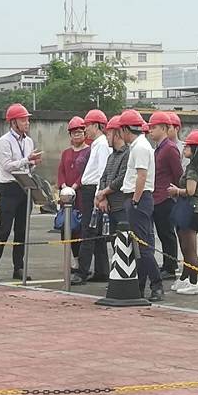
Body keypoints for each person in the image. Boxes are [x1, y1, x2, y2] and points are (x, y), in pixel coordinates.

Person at [0, 103, 42, 282]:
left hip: (24, 185)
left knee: (22, 230)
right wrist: (27, 160)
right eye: (23, 119)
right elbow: (7, 166)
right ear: (13, 122)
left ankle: (18, 267)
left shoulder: (28, 141)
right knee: (4, 229)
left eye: (27, 119)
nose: (27, 122)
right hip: (9, 187)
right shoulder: (4, 141)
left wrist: (31, 164)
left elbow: (26, 167)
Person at [120, 109, 164, 302]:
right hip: (139, 197)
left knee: (143, 246)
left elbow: (141, 176)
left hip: (139, 198)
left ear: (125, 129)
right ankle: (141, 285)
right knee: (140, 245)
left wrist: (135, 200)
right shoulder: (141, 145)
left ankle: (156, 285)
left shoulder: (139, 148)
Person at [167, 129, 198, 295]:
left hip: (191, 210)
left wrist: (177, 191)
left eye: (187, 147)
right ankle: (185, 278)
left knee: (189, 249)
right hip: (193, 210)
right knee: (186, 247)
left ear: (196, 149)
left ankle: (194, 282)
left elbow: (190, 191)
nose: (184, 149)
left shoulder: (193, 168)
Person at [71, 109, 112, 285]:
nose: (85, 129)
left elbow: (103, 170)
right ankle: (102, 270)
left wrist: (100, 195)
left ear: (96, 125)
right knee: (96, 231)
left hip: (93, 190)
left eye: (87, 125)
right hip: (91, 189)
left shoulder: (101, 145)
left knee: (89, 230)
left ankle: (82, 271)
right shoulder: (98, 144)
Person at [148, 111, 183, 280]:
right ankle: (167, 264)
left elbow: (178, 173)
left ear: (163, 128)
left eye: (153, 127)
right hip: (157, 196)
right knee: (162, 233)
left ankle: (170, 266)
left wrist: (175, 192)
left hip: (166, 197)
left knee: (167, 233)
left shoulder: (169, 148)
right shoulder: (159, 148)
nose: (150, 131)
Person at [57, 116, 91, 271]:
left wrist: (75, 186)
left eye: (79, 132)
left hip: (81, 196)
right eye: (73, 133)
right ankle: (70, 257)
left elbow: (86, 173)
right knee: (66, 227)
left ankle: (80, 261)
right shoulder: (66, 153)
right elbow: (61, 171)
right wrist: (64, 186)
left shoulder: (88, 151)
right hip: (66, 197)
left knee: (80, 228)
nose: (76, 135)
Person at [96, 115, 129, 235]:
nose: (107, 138)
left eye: (109, 134)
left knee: (125, 244)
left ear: (117, 133)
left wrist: (104, 192)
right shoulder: (111, 156)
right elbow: (103, 177)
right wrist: (103, 197)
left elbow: (121, 178)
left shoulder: (127, 154)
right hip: (109, 207)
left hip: (122, 207)